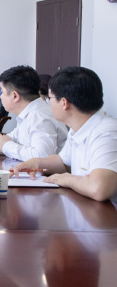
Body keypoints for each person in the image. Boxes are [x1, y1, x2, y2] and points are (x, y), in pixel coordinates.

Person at [11, 67, 117, 202]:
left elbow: (99, 189)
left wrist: (67, 179)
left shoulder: (107, 131)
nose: (47, 103)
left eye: (50, 98)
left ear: (64, 103)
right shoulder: (78, 127)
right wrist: (36, 163)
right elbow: (64, 163)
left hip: (107, 213)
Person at [0, 65, 67, 161]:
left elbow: (41, 156)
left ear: (15, 96)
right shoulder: (29, 113)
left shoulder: (39, 116)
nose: (0, 97)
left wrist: (5, 146)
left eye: (2, 92)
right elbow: (14, 138)